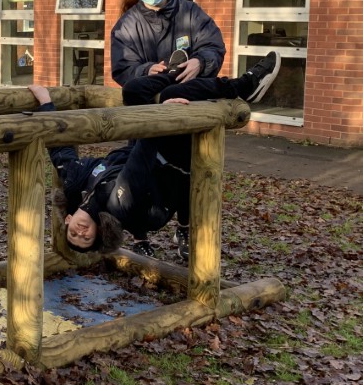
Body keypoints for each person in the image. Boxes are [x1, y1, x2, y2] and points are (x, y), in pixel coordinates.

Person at [28, 50, 282, 260]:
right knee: (172, 96)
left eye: (74, 234)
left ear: (69, 220)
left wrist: (45, 103)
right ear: (98, 231)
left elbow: (59, 149)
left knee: (134, 91)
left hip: (146, 149)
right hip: (172, 165)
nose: (81, 234)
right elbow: (139, 163)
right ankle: (244, 86)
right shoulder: (117, 208)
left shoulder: (75, 184)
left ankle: (178, 72)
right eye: (87, 238)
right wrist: (160, 116)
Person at [110, 0, 227, 105]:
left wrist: (200, 62)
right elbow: (123, 68)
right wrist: (146, 70)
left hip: (191, 104)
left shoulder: (190, 12)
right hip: (148, 112)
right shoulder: (125, 27)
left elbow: (213, 46)